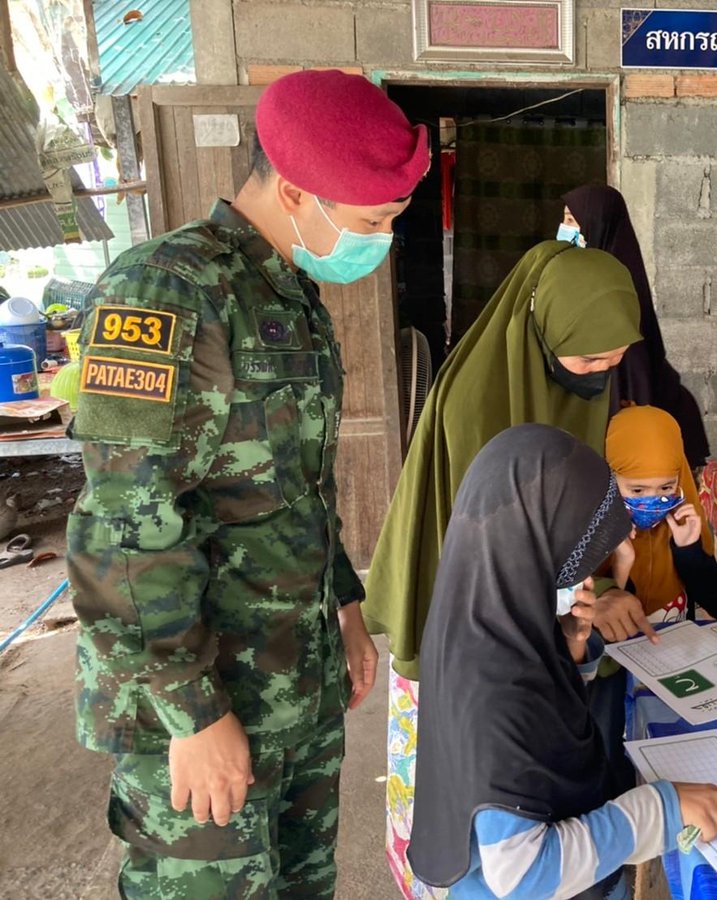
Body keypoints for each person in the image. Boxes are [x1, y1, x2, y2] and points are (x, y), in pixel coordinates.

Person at [65, 69, 428, 897]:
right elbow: (124, 524)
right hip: (196, 699)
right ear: (295, 191)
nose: (382, 240)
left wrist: (344, 607)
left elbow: (300, 484)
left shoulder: (288, 288)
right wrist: (191, 712)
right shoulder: (165, 290)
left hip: (292, 682)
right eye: (372, 221)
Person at [363, 239, 642, 896]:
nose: (602, 373)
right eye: (593, 357)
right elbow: (501, 547)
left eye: (617, 359)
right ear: (547, 332)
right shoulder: (476, 404)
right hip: (463, 600)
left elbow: (565, 510)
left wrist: (593, 579)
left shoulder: (580, 381)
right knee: (464, 772)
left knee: (535, 754)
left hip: (534, 585)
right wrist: (580, 595)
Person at [409, 424, 717, 898]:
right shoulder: (493, 686)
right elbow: (522, 875)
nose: (584, 574)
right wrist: (663, 810)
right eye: (577, 555)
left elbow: (539, 725)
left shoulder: (484, 619)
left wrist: (572, 652)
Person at [588, 404, 717, 791]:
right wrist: (622, 564)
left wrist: (689, 553)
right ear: (608, 479)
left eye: (666, 487)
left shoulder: (683, 522)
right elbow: (610, 626)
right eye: (636, 490)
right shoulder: (589, 533)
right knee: (610, 753)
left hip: (672, 669)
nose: (652, 500)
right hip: (609, 679)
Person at [561, 185, 710, 469]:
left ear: (596, 223)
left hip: (628, 419)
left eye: (571, 219)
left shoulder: (613, 290)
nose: (563, 228)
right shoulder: (583, 280)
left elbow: (633, 368)